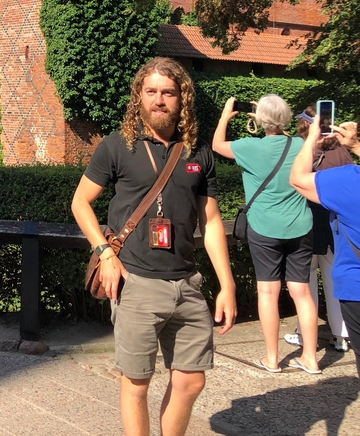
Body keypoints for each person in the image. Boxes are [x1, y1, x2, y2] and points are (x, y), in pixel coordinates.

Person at [72, 57, 236, 436]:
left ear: (182, 99)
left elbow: (210, 222)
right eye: (151, 92)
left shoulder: (198, 153)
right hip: (136, 282)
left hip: (186, 283)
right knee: (136, 382)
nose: (159, 100)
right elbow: (80, 203)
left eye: (168, 92)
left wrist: (226, 285)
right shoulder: (117, 146)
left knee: (191, 380)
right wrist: (105, 252)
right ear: (139, 98)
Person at [212, 95, 320, 374]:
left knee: (268, 292)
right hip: (300, 225)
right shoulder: (300, 144)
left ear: (260, 120)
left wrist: (225, 115)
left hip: (263, 227)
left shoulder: (250, 147)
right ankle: (310, 358)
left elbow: (216, 146)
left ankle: (272, 359)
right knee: (302, 292)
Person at [290, 117, 360, 378]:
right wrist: (352, 146)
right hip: (336, 240)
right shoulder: (345, 160)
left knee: (307, 281)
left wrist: (310, 139)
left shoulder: (350, 181)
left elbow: (297, 179)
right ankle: (341, 335)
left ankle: (303, 334)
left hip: (314, 229)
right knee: (329, 281)